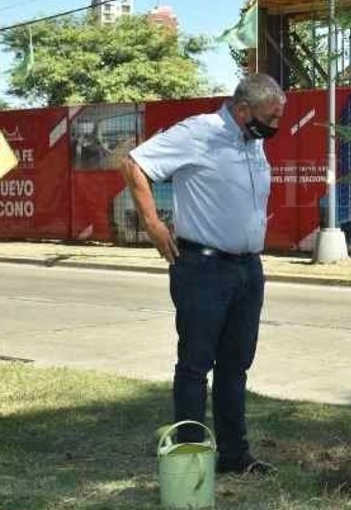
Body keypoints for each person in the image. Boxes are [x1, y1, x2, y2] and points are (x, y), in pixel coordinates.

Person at [120, 73, 285, 476]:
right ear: (243, 110)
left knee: (236, 365)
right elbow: (134, 163)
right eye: (270, 116)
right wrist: (154, 225)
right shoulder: (199, 132)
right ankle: (191, 458)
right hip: (204, 269)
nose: (275, 125)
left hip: (248, 269)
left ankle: (234, 456)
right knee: (196, 364)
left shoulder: (252, 141)